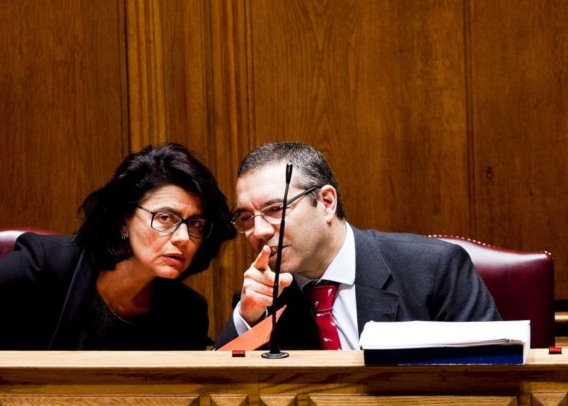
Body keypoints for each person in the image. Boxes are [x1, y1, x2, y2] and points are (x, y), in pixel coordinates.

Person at [0, 143, 234, 350]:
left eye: (195, 224)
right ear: (123, 219)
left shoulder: (186, 311)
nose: (184, 238)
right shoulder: (44, 265)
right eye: (166, 218)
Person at [214, 141, 501, 350]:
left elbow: (494, 375)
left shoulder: (435, 268)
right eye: (246, 217)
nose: (259, 231)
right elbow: (222, 395)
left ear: (326, 203)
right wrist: (245, 317)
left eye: (276, 209)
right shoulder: (261, 300)